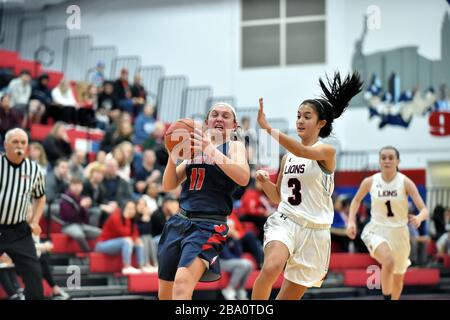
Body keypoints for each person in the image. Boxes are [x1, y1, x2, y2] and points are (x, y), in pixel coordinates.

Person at [252, 72, 363, 300]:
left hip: (316, 232)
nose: (300, 120)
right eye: (298, 116)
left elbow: (303, 151)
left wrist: (268, 128)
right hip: (286, 221)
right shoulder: (287, 158)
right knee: (272, 266)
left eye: (307, 116)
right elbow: (277, 198)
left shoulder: (326, 151)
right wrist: (265, 183)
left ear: (321, 123)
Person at [158, 102, 250, 300]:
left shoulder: (234, 146)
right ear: (207, 122)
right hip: (180, 221)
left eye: (226, 116)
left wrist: (210, 149)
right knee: (165, 294)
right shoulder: (193, 149)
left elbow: (243, 177)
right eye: (215, 114)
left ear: (234, 126)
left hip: (209, 225)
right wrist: (172, 156)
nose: (219, 118)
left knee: (182, 285)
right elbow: (169, 185)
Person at [346, 146, 429, 300]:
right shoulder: (370, 181)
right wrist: (351, 221)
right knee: (388, 261)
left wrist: (418, 218)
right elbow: (356, 200)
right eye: (383, 157)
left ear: (398, 161)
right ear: (379, 161)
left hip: (400, 234)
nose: (387, 160)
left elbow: (424, 209)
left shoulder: (405, 182)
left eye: (391, 157)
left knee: (398, 280)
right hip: (376, 230)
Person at [0, 128, 46, 299]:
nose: (19, 146)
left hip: (19, 231)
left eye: (23, 142)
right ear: (5, 145)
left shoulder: (35, 170)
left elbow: (40, 198)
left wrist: (34, 221)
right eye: (15, 142)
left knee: (34, 276)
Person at [95, 200, 152, 274]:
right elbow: (123, 232)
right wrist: (127, 217)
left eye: (133, 208)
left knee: (139, 242)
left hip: (119, 244)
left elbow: (135, 234)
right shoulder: (116, 216)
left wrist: (135, 239)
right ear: (123, 208)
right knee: (127, 240)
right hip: (103, 244)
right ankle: (127, 267)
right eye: (129, 208)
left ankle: (142, 266)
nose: (131, 210)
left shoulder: (131, 219)